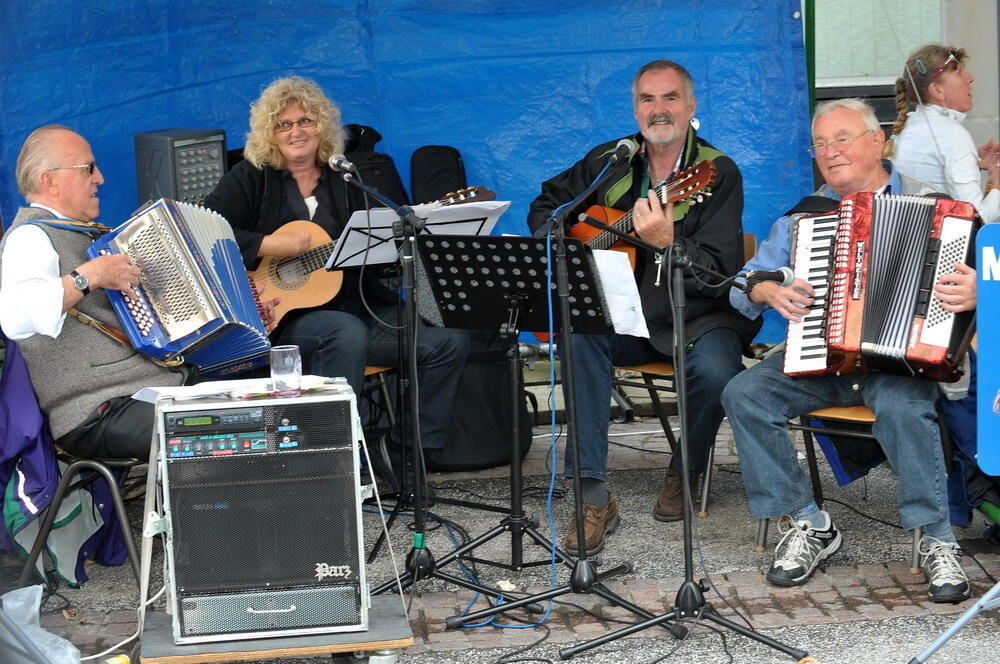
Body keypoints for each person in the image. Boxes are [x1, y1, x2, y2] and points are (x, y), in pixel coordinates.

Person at [721, 98, 972, 604]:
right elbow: (741, 285)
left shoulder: (940, 205)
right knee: (744, 393)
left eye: (842, 139)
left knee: (904, 406)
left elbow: (984, 273)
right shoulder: (804, 218)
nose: (829, 152)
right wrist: (763, 290)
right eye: (819, 144)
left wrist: (983, 290)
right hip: (821, 358)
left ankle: (936, 538)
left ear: (877, 141)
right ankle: (810, 523)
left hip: (901, 362)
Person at [526, 60, 759, 556]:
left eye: (670, 98)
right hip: (622, 313)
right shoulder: (610, 160)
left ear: (691, 106)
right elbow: (547, 204)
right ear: (635, 110)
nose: (659, 110)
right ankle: (592, 494)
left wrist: (670, 242)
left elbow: (719, 273)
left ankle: (686, 467)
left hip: (694, 313)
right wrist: (565, 238)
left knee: (719, 370)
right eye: (648, 100)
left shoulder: (716, 173)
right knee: (579, 331)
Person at [204, 76, 470, 454]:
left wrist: (390, 244)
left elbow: (373, 245)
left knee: (447, 341)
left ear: (322, 126)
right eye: (285, 124)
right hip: (281, 323)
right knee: (344, 331)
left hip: (356, 311)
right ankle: (332, 456)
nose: (297, 131)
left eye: (307, 121)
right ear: (270, 133)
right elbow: (204, 229)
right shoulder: (252, 177)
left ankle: (401, 453)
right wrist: (267, 243)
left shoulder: (345, 177)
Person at [0, 125, 184, 458]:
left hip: (150, 387)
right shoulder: (28, 239)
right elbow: (15, 318)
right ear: (49, 180)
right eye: (87, 168)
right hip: (98, 407)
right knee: (214, 433)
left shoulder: (86, 234)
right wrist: (89, 276)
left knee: (267, 407)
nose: (99, 178)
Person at [887, 44, 1000, 224]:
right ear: (937, 90)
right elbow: (977, 218)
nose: (970, 78)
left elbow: (928, 169)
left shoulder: (909, 123)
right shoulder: (953, 135)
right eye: (960, 73)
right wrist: (998, 185)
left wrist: (974, 160)